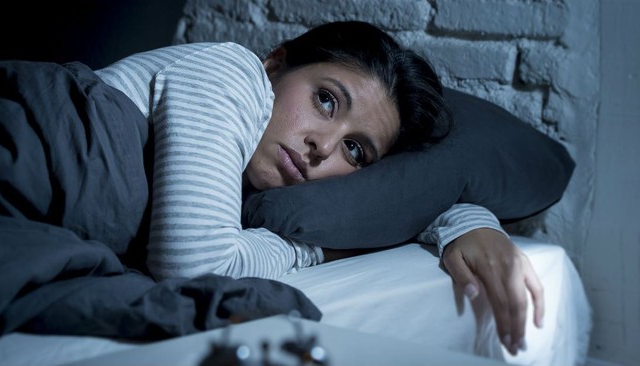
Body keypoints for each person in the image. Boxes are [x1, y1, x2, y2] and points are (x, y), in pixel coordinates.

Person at [94, 21, 542, 356]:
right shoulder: (230, 72)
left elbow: (392, 197)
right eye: (325, 100)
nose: (321, 146)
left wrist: (470, 223)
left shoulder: (256, 170)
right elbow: (195, 269)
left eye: (354, 150)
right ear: (275, 65)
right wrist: (308, 250)